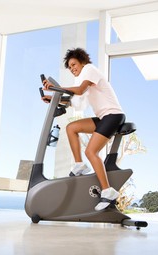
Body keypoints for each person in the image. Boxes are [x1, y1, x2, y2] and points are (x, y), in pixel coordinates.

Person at [42, 48, 126, 211]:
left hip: (113, 116)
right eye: (70, 67)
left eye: (74, 64)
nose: (73, 69)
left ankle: (108, 192)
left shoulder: (90, 70)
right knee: (72, 127)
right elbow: (77, 103)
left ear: (82, 61)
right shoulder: (82, 79)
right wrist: (52, 98)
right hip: (104, 118)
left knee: (91, 152)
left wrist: (54, 88)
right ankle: (79, 165)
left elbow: (80, 90)